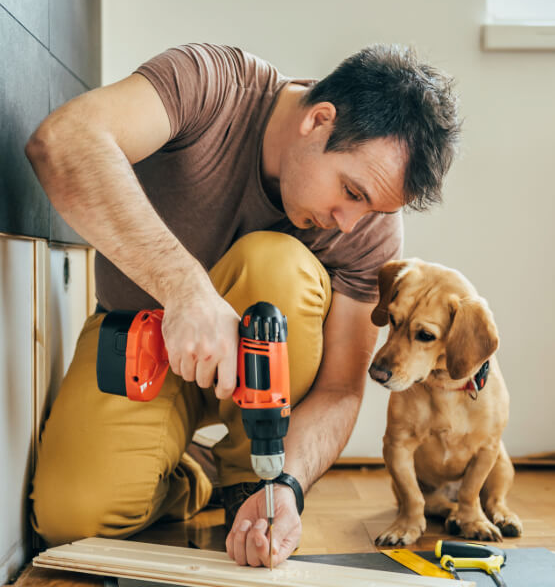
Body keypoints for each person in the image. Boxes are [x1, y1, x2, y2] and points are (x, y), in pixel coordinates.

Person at [25, 42, 460, 567]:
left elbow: (341, 388)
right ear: (319, 120)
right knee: (72, 519)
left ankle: (250, 477)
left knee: (277, 264)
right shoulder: (210, 84)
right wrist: (186, 289)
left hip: (264, 395)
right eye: (350, 190)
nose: (350, 222)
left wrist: (291, 485)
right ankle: (195, 473)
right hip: (140, 334)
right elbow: (63, 141)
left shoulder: (369, 228)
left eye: (371, 208)